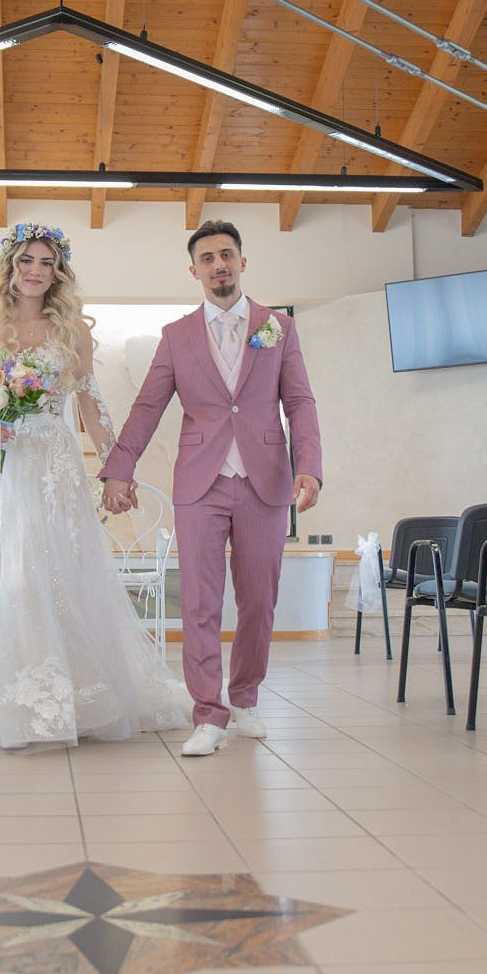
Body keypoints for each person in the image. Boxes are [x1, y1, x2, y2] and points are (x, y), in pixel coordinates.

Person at [0, 223, 190, 749]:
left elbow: (90, 404)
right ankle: (13, 695)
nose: (35, 271)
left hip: (54, 466)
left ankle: (79, 695)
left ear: (59, 273)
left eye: (46, 263)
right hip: (2, 467)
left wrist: (119, 463)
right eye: (26, 260)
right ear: (10, 265)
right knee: (12, 577)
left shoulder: (73, 332)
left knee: (60, 571)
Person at [101, 220, 322, 757]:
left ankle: (244, 698)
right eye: (208, 258)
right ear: (194, 269)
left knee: (259, 600)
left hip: (265, 481)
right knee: (199, 602)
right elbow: (148, 407)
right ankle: (208, 714)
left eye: (227, 255)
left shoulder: (278, 328)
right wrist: (118, 469)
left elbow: (300, 402)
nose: (219, 264)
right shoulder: (176, 336)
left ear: (243, 262)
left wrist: (309, 465)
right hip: (199, 483)